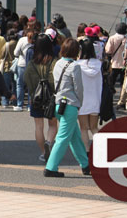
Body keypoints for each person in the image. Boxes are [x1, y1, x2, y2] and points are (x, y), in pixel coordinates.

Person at [44, 38, 90, 178]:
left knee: (75, 137)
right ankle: (50, 167)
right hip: (70, 105)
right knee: (63, 138)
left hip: (58, 104)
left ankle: (85, 165)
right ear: (76, 51)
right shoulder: (74, 66)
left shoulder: (58, 63)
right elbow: (78, 88)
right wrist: (80, 103)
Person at [23, 34, 57, 163]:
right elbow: (55, 79)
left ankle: (43, 153)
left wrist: (33, 92)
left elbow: (26, 78)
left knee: (38, 126)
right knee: (53, 124)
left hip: (36, 98)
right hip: (51, 98)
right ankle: (49, 142)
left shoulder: (32, 63)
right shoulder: (53, 61)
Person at [77, 38, 102, 152]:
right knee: (94, 128)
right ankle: (100, 149)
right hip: (95, 100)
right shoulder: (98, 64)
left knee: (83, 128)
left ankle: (86, 151)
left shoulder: (77, 65)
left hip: (82, 101)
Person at [105, 23, 127, 93]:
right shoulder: (126, 38)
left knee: (111, 83)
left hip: (114, 63)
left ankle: (111, 97)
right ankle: (122, 99)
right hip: (124, 64)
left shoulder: (112, 38)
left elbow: (108, 50)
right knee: (123, 84)